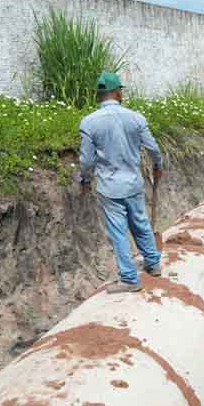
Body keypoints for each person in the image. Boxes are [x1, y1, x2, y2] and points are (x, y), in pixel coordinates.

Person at [79, 72, 163, 294]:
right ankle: (153, 263)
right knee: (140, 223)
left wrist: (85, 179)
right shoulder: (136, 118)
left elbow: (87, 160)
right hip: (133, 183)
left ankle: (129, 278)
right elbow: (153, 148)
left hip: (110, 187)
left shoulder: (89, 122)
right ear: (117, 92)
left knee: (118, 232)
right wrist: (158, 165)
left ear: (99, 96)